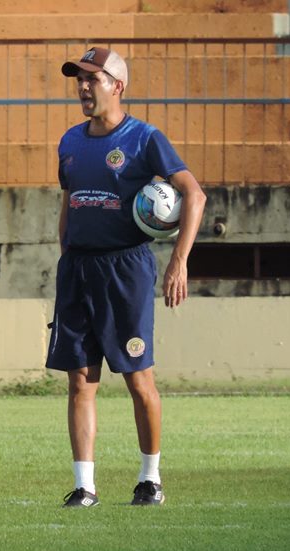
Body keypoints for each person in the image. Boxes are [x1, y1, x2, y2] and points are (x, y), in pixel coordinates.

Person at [48, 47, 206, 507]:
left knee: (138, 379)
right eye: (79, 79)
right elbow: (67, 203)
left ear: (117, 85)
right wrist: (67, 257)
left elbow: (193, 196)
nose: (82, 87)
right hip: (78, 268)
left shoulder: (145, 139)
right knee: (80, 380)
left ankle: (150, 478)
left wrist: (179, 261)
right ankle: (84, 486)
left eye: (92, 79)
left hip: (126, 268)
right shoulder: (70, 142)